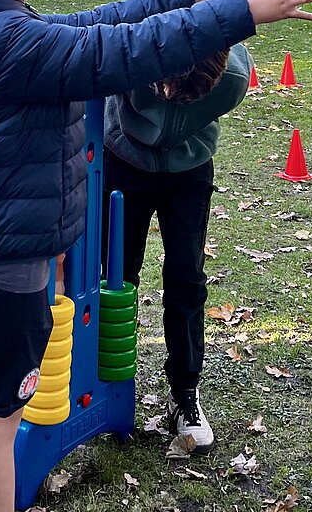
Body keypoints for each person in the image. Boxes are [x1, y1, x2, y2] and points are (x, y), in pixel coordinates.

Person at [0, 0, 312, 512]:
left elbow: (91, 25)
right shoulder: (1, 39)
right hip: (0, 257)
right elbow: (116, 53)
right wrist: (243, 11)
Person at [101, 40, 253, 455]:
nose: (167, 98)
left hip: (189, 171)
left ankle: (185, 392)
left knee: (186, 277)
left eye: (179, 96)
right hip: (123, 160)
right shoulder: (133, 49)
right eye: (161, 87)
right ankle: (105, 386)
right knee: (115, 276)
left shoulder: (232, 78)